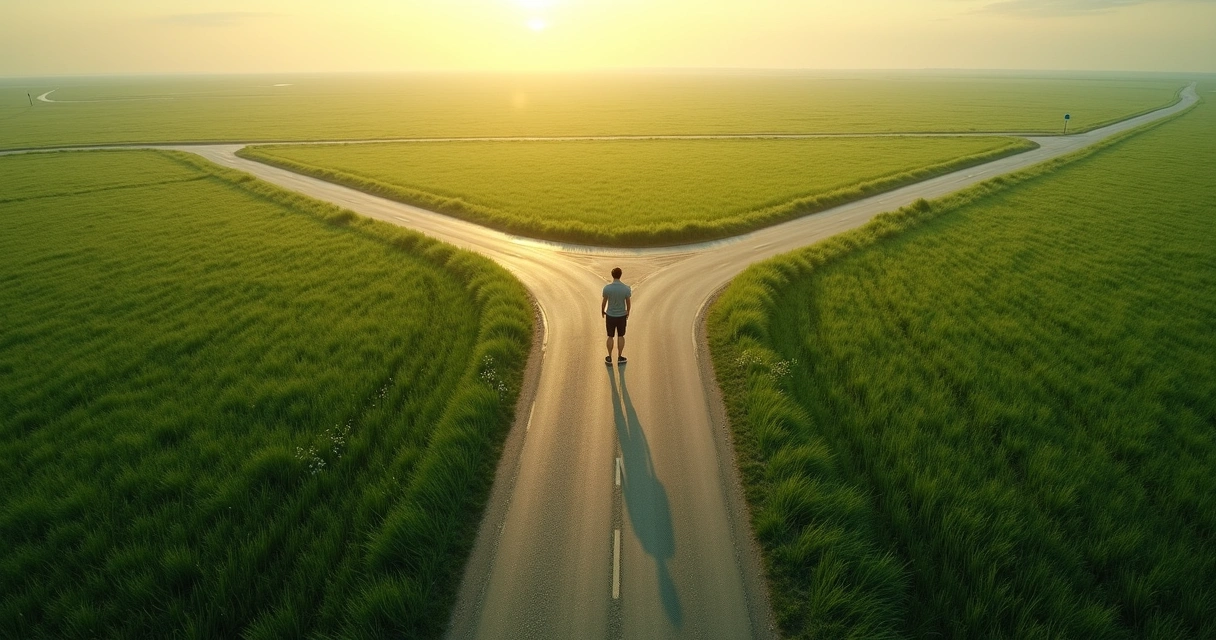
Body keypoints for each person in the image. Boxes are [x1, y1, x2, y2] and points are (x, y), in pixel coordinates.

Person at [601, 267, 632, 364]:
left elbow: (604, 301)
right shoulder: (626, 288)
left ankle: (609, 357)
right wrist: (628, 312)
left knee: (610, 336)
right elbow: (628, 302)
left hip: (610, 315)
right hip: (621, 315)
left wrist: (602, 310)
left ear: (612, 275)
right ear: (621, 275)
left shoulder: (607, 288)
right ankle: (619, 357)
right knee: (621, 336)